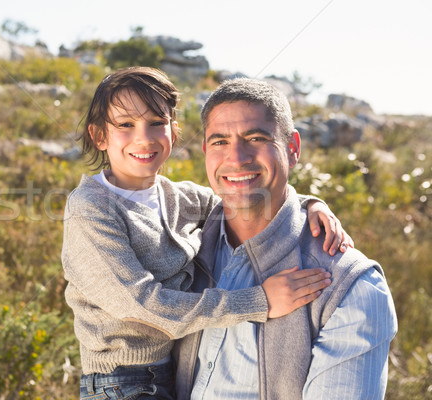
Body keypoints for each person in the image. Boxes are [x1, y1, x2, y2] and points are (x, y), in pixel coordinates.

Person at [61, 67, 350, 400]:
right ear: (99, 136)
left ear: (173, 130)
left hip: (171, 374)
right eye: (125, 124)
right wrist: (260, 301)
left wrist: (309, 204)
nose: (144, 137)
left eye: (156, 122)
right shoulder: (91, 208)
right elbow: (141, 307)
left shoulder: (182, 197)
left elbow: (247, 199)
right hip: (120, 384)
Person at [174, 78, 398, 399]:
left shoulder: (351, 289)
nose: (236, 158)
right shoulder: (182, 243)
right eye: (219, 141)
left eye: (256, 137)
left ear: (292, 149)